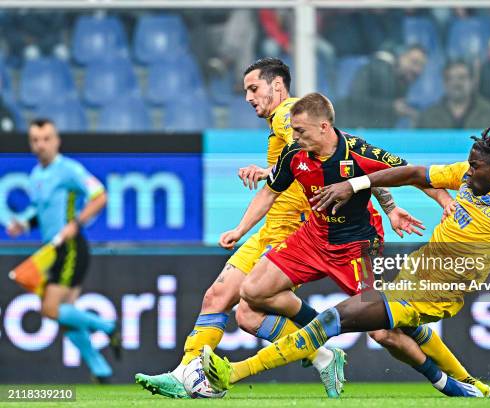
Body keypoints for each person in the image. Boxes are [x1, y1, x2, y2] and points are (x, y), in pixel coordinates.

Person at [201, 124, 490, 393]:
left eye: (477, 166)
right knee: (386, 334)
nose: (467, 171)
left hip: (436, 291)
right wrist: (356, 183)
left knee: (335, 318)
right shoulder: (468, 177)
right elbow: (412, 173)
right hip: (415, 274)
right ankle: (461, 385)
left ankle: (233, 373)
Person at [135, 58, 435, 398]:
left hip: (294, 232)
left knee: (247, 307)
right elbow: (300, 162)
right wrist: (268, 173)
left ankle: (331, 344)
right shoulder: (288, 131)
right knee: (228, 303)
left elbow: (351, 160)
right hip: (270, 229)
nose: (248, 97)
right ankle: (191, 371)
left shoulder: (286, 114)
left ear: (277, 86)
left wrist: (391, 206)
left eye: (253, 88)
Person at [211, 92, 490, 397]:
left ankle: (454, 381)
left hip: (358, 247)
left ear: (324, 126)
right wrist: (240, 229)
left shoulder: (357, 152)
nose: (293, 136)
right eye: (292, 130)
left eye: (300, 131)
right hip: (313, 238)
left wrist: (443, 200)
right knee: (252, 291)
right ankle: (323, 338)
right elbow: (269, 192)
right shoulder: (293, 154)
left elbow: (411, 174)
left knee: (385, 331)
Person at [6, 118, 119, 382]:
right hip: (52, 251)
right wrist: (24, 223)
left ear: (56, 141)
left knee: (49, 309)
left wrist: (76, 224)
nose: (40, 145)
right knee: (66, 314)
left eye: (46, 139)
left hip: (69, 248)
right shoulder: (36, 175)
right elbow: (40, 211)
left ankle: (107, 326)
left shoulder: (69, 170)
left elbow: (100, 195)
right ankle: (100, 370)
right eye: (35, 140)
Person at [337, 46, 427, 128]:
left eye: (422, 66)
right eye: (414, 62)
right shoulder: (376, 69)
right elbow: (355, 101)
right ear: (401, 57)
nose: (417, 69)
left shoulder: (402, 84)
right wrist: (391, 107)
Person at [417, 61, 490, 129]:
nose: (457, 83)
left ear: (472, 82)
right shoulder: (429, 116)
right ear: (444, 83)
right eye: (451, 78)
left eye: (462, 77)